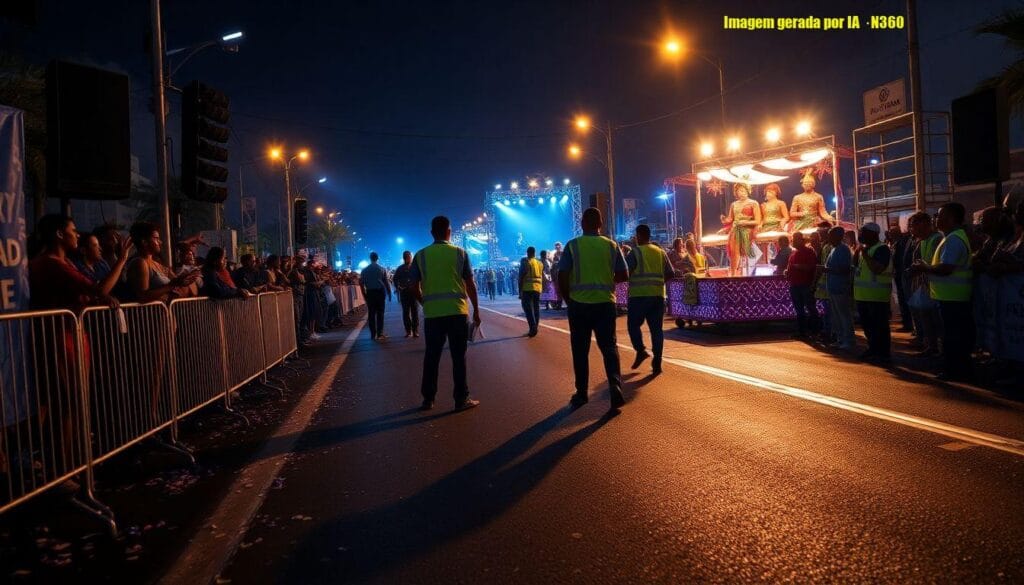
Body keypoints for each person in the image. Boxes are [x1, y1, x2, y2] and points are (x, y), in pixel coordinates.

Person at [557, 207, 628, 410]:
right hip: (605, 304)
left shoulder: (573, 246)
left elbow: (562, 274)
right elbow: (624, 275)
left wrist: (568, 299)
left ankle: (581, 393)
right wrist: (608, 281)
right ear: (600, 224)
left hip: (579, 305)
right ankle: (615, 385)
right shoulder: (611, 245)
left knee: (580, 351)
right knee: (609, 347)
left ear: (582, 224)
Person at [410, 216, 481, 411]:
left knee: (431, 356)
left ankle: (428, 399)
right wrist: (476, 310)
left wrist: (424, 302)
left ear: (432, 233)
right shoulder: (460, 253)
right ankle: (461, 399)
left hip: (433, 315)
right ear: (449, 231)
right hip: (458, 313)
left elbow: (413, 286)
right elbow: (470, 284)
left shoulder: (421, 255)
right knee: (459, 357)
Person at [911, 202, 973, 380]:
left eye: (940, 216)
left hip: (954, 297)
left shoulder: (954, 239)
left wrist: (925, 267)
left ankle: (956, 370)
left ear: (951, 218)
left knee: (954, 337)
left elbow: (946, 268)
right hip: (949, 296)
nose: (936, 219)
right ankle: (955, 368)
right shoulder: (951, 237)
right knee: (951, 335)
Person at [625, 224, 674, 374]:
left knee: (633, 325)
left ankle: (640, 350)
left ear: (639, 236)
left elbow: (626, 272)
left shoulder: (635, 252)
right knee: (656, 330)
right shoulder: (660, 252)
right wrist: (658, 283)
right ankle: (657, 362)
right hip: (658, 296)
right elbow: (671, 273)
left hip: (639, 296)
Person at [127, 221, 200, 303]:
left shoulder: (158, 265)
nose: (160, 242)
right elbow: (142, 296)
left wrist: (184, 280)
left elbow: (181, 290)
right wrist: (171, 286)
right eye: (156, 238)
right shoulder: (140, 262)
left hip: (165, 313)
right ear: (144, 242)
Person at [853, 222, 893, 362]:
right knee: (868, 326)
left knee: (879, 326)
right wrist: (858, 253)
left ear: (873, 234)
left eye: (863, 232)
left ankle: (883, 353)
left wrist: (864, 254)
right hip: (863, 296)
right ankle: (873, 348)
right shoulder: (864, 249)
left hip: (877, 296)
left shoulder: (882, 249)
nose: (860, 235)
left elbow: (878, 269)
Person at [906, 211, 942, 357]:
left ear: (924, 224)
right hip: (924, 286)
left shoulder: (937, 239)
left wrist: (921, 268)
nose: (912, 230)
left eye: (914, 226)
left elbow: (938, 265)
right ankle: (931, 345)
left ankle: (940, 348)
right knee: (926, 318)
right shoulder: (922, 241)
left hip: (937, 288)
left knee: (937, 320)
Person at [823, 226, 855, 350]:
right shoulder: (833, 249)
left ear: (838, 236)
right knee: (836, 316)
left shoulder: (843, 250)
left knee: (844, 315)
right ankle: (840, 339)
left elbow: (845, 269)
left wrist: (827, 269)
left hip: (840, 287)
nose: (828, 238)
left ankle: (849, 340)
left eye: (831, 235)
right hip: (832, 287)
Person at [784, 231, 820, 339]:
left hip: (805, 285)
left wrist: (797, 267)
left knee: (810, 308)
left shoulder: (809, 251)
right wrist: (788, 271)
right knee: (799, 309)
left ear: (801, 240)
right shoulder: (794, 252)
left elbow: (811, 267)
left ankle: (815, 331)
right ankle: (802, 332)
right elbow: (790, 266)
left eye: (795, 239)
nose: (793, 241)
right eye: (793, 239)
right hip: (794, 284)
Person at [721, 183, 762, 276]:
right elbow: (730, 219)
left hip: (747, 228)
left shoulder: (753, 203)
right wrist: (724, 219)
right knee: (734, 245)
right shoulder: (733, 204)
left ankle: (734, 271)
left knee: (737, 238)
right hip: (736, 228)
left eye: (743, 190)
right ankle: (734, 270)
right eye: (739, 191)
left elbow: (758, 220)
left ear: (748, 191)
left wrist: (745, 223)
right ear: (736, 193)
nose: (741, 193)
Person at [75, 230, 133, 294]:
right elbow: (100, 291)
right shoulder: (78, 269)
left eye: (99, 245)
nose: (100, 249)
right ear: (83, 251)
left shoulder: (101, 263)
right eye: (95, 245)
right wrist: (122, 258)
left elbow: (113, 282)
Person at [360, 252, 392, 341]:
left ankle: (373, 334)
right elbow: (386, 282)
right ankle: (380, 333)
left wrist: (364, 295)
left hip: (370, 293)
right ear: (378, 258)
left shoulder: (364, 270)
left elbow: (361, 284)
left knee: (371, 313)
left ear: (370, 258)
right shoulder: (381, 269)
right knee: (380, 313)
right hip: (380, 293)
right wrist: (389, 293)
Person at [888, 226, 914, 332]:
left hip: (902, 274)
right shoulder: (896, 243)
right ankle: (906, 323)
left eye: (892, 232)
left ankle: (908, 324)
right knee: (902, 299)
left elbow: (900, 259)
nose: (890, 234)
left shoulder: (902, 243)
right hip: (898, 275)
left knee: (905, 299)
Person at [392, 250, 420, 338]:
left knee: (415, 312)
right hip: (404, 293)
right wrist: (398, 287)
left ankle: (415, 330)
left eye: (409, 256)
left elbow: (421, 278)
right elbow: (395, 279)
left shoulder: (415, 268)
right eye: (406, 256)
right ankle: (408, 331)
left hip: (414, 293)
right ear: (404, 258)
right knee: (406, 313)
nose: (408, 258)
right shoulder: (400, 269)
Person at [518, 246, 543, 337]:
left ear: (527, 252)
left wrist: (520, 290)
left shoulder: (525, 262)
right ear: (534, 253)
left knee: (528, 309)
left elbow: (521, 276)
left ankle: (532, 328)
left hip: (527, 288)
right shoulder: (539, 263)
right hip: (538, 288)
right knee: (536, 308)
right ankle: (535, 327)